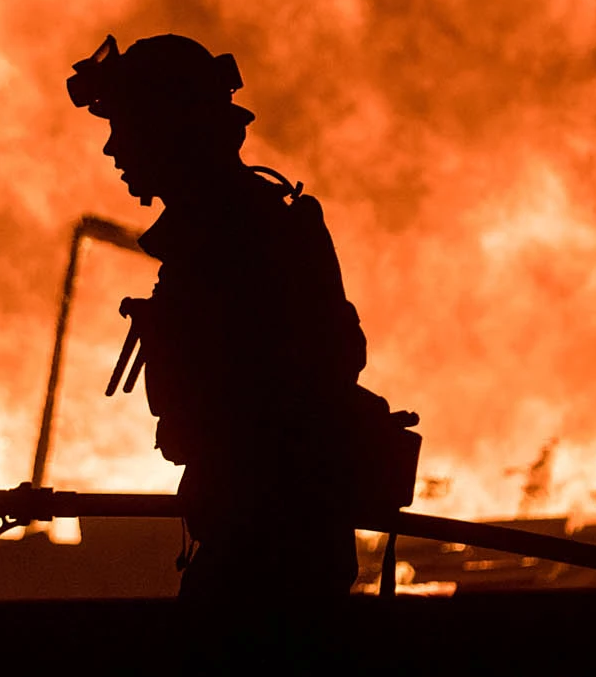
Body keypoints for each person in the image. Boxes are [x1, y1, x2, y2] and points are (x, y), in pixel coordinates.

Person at [67, 32, 413, 608]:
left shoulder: (236, 237)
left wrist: (219, 439)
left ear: (170, 131)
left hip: (268, 550)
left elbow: (292, 382)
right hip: (266, 535)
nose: (112, 149)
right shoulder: (230, 229)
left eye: (123, 127)